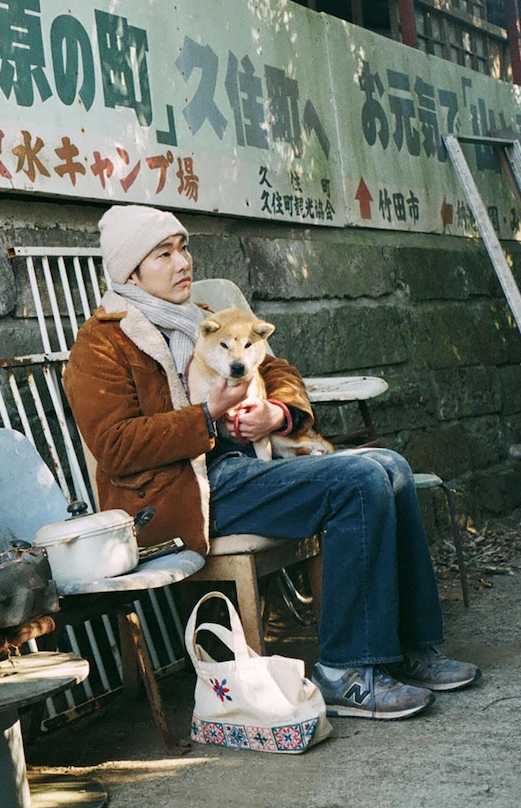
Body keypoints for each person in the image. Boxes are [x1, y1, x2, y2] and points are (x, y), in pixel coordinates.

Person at [63, 204, 480, 720]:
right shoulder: (101, 343)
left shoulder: (206, 316)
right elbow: (116, 446)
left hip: (250, 466)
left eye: (184, 248)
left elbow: (279, 369)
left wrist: (276, 414)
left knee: (389, 466)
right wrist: (207, 418)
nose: (183, 263)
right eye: (164, 254)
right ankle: (345, 671)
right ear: (130, 272)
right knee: (356, 481)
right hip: (184, 492)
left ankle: (409, 649)